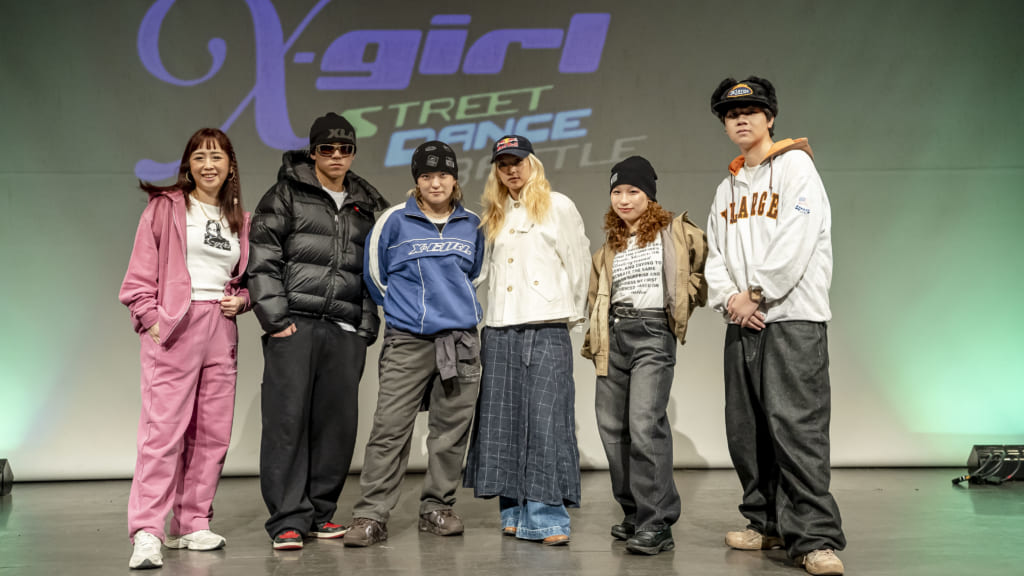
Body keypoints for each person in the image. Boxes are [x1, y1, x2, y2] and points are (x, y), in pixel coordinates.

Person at [705, 77, 846, 575]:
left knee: (797, 430)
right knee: (747, 431)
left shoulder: (796, 168)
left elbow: (796, 238)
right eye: (731, 114)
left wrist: (757, 292)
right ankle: (766, 522)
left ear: (770, 117)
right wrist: (731, 300)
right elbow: (714, 254)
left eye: (751, 110)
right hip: (743, 322)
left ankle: (815, 539)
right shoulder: (726, 187)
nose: (741, 119)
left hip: (792, 318)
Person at [248, 113, 388, 550]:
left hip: (344, 329)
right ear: (313, 152)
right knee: (287, 423)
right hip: (296, 324)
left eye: (345, 149)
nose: (336, 156)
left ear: (353, 153)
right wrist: (277, 321)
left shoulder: (366, 204)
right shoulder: (285, 195)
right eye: (327, 148)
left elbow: (373, 272)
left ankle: (320, 513)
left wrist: (364, 326)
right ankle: (288, 518)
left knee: (336, 426)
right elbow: (263, 259)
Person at [119, 127, 250, 569]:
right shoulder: (166, 208)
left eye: (217, 157)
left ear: (230, 166)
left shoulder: (240, 218)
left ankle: (191, 522)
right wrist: (151, 319)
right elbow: (139, 275)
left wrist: (243, 300)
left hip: (221, 327)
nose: (208, 165)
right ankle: (147, 531)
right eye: (199, 157)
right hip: (177, 324)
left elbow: (245, 278)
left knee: (212, 433)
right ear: (188, 166)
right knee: (162, 432)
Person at [344, 141, 485, 547]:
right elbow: (376, 277)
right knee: (390, 428)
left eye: (443, 175)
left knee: (450, 432)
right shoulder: (393, 221)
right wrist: (407, 313)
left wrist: (451, 310)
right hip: (407, 341)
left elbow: (476, 275)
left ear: (454, 179)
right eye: (426, 176)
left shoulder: (473, 224)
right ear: (416, 181)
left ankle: (437, 507)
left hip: (460, 341)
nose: (435, 183)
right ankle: (371, 514)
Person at [464, 135, 590, 546]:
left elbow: (579, 263)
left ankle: (548, 517)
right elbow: (483, 273)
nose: (511, 170)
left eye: (517, 162)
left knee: (546, 421)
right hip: (501, 327)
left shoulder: (558, 206)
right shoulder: (494, 215)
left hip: (546, 325)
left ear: (532, 163)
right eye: (503, 164)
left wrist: (572, 318)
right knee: (503, 422)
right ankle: (514, 512)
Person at [582, 156, 707, 555]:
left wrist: (687, 298)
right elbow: (596, 294)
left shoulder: (674, 232)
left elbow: (701, 271)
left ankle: (657, 523)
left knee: (643, 424)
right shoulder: (610, 246)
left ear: (649, 195)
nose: (624, 199)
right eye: (617, 191)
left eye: (633, 191)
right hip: (614, 333)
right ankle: (635, 512)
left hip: (652, 333)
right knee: (611, 427)